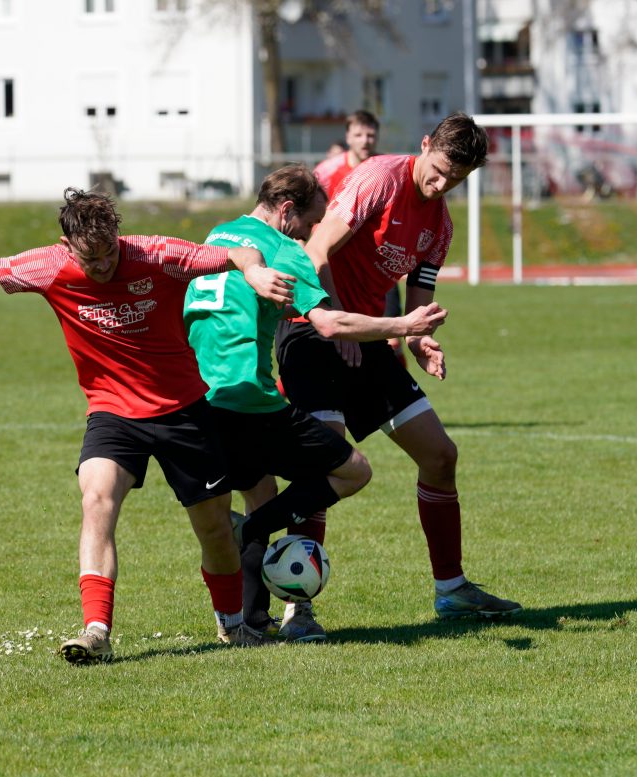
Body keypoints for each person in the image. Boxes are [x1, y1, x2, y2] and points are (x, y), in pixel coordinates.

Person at [0, 187, 297, 664]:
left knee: (214, 528)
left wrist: (254, 270)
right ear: (67, 246)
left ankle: (233, 625)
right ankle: (96, 631)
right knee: (96, 500)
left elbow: (237, 252)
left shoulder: (156, 254)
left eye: (110, 252)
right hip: (112, 412)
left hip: (182, 409)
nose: (104, 265)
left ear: (118, 236)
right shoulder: (48, 266)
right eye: (91, 258)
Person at [184, 165, 448, 640]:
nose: (310, 234)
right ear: (287, 211)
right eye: (309, 223)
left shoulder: (217, 235)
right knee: (353, 471)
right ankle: (244, 533)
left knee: (260, 490)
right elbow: (328, 324)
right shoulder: (286, 251)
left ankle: (248, 622)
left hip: (199, 397)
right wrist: (404, 326)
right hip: (250, 398)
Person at [277, 112, 522, 620]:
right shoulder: (378, 180)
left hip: (367, 336)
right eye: (439, 170)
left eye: (457, 179)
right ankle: (298, 611)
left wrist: (421, 341)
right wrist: (337, 321)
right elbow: (314, 252)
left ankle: (451, 590)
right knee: (324, 462)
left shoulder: (440, 225)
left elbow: (418, 302)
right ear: (425, 143)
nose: (442, 184)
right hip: (311, 325)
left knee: (441, 455)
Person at [314, 109, 406, 366]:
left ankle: (395, 388)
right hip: (337, 268)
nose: (365, 140)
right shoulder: (327, 172)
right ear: (348, 137)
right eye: (358, 135)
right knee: (328, 344)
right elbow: (309, 217)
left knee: (391, 341)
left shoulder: (389, 170)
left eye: (370, 135)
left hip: (377, 267)